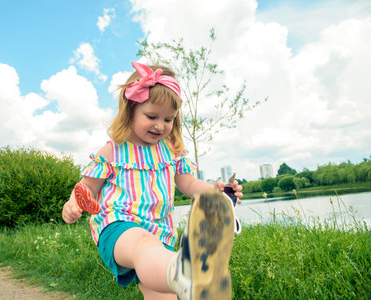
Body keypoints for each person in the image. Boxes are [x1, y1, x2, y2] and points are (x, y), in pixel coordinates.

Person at [62, 61, 243, 300]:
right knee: (143, 244)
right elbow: (87, 186)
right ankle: (187, 270)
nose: (160, 125)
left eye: (168, 120)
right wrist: (74, 201)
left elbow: (188, 183)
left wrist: (215, 193)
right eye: (151, 116)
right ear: (131, 111)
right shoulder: (113, 151)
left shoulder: (172, 151)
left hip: (161, 233)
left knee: (164, 291)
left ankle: (189, 274)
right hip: (119, 226)